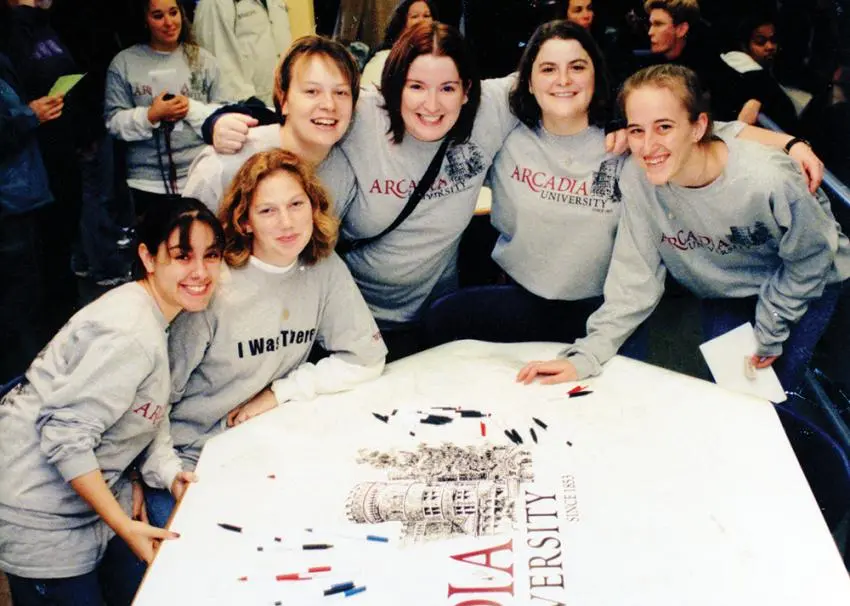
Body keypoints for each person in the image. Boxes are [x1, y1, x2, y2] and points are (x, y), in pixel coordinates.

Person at [517, 64, 850, 393]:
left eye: (664, 127)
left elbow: (813, 256)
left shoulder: (768, 180)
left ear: (697, 127)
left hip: (805, 281)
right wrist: (586, 355)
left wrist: (770, 326)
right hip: (729, 285)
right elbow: (635, 279)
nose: (648, 147)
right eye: (636, 130)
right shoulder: (638, 177)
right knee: (731, 392)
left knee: (775, 401)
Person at [0, 198, 225, 605]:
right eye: (181, 255)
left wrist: (163, 473)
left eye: (211, 256)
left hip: (92, 508)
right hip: (42, 522)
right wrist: (124, 525)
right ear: (148, 256)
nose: (200, 272)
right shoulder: (130, 333)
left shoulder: (161, 315)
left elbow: (140, 412)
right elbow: (64, 435)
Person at [144, 150, 387, 527]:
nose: (287, 222)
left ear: (314, 207)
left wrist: (280, 392)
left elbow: (366, 358)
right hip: (190, 456)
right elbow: (152, 396)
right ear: (244, 222)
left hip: (262, 444)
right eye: (267, 211)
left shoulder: (322, 267)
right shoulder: (214, 284)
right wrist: (162, 471)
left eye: (296, 204)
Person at [184, 35, 360, 216]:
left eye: (341, 92)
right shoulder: (225, 166)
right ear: (284, 100)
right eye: (312, 91)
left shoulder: (343, 174)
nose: (329, 105)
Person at [105, 0, 223, 218]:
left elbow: (223, 115)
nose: (169, 22)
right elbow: (113, 122)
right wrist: (150, 115)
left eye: (173, 13)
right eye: (158, 16)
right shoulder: (124, 63)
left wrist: (191, 108)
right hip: (147, 181)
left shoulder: (204, 60)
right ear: (145, 21)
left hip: (199, 172)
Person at [0, 51, 55, 382]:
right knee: (15, 300)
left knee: (25, 295)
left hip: (19, 197)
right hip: (7, 202)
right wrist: (29, 115)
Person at [192, 0, 291, 105]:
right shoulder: (213, 4)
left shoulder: (276, 2)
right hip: (246, 107)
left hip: (284, 100)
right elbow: (217, 65)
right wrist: (248, 105)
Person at [361, 0, 436, 87]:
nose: (422, 21)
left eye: (426, 16)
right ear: (402, 25)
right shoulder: (384, 58)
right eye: (414, 16)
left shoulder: (438, 56)